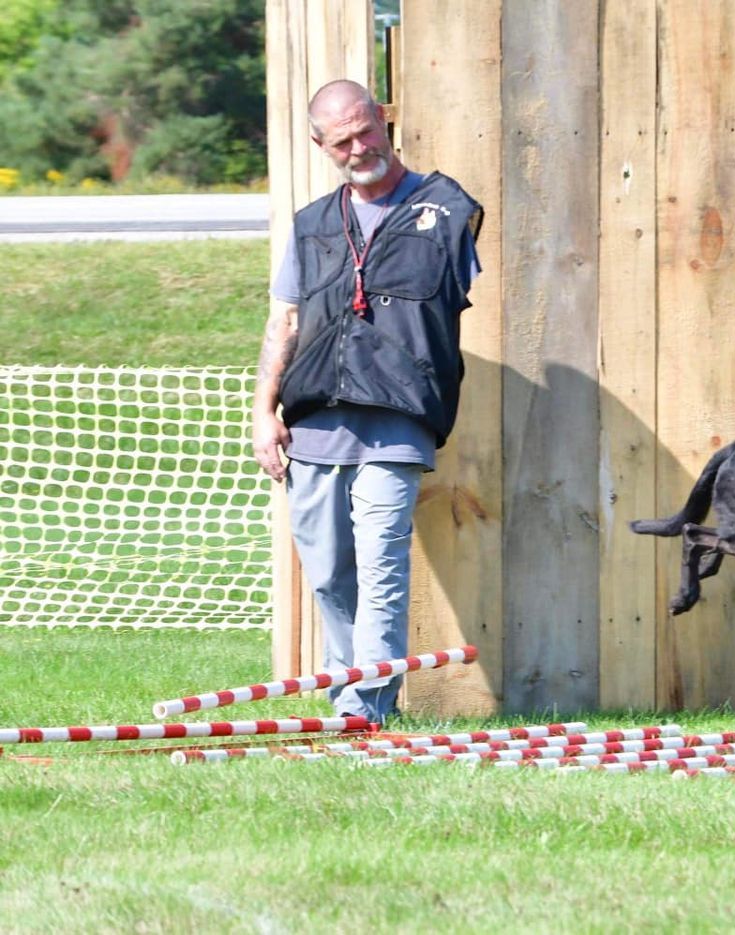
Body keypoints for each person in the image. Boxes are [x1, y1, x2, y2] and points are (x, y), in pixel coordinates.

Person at [252, 79, 484, 721]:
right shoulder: (312, 225)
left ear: (385, 122)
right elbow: (286, 323)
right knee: (329, 574)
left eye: (367, 130)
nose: (360, 147)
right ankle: (347, 696)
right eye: (343, 139)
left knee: (381, 565)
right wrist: (262, 412)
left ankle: (367, 710)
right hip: (314, 422)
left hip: (397, 423)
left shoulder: (447, 210)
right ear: (322, 145)